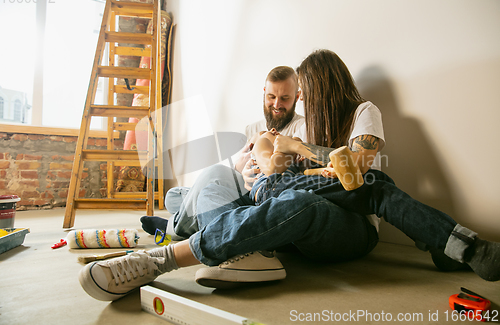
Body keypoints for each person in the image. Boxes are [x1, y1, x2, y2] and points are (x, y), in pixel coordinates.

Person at [79, 50, 499, 301]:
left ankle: (160, 258)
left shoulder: (361, 113)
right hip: (298, 206)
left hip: (350, 224)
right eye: (290, 96)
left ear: (325, 87)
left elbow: (353, 173)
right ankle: (457, 245)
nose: (300, 101)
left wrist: (295, 150)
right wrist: (269, 161)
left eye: (305, 92)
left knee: (370, 185)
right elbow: (269, 166)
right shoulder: (299, 123)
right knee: (266, 192)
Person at [140, 65, 305, 240]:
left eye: (285, 98)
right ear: (264, 92)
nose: (277, 104)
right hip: (240, 185)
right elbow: (236, 170)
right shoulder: (252, 129)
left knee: (214, 174)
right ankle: (198, 216)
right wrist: (240, 168)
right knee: (172, 196)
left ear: (296, 96)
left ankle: (174, 226)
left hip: (258, 194)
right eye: (271, 97)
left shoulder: (301, 128)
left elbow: (290, 173)